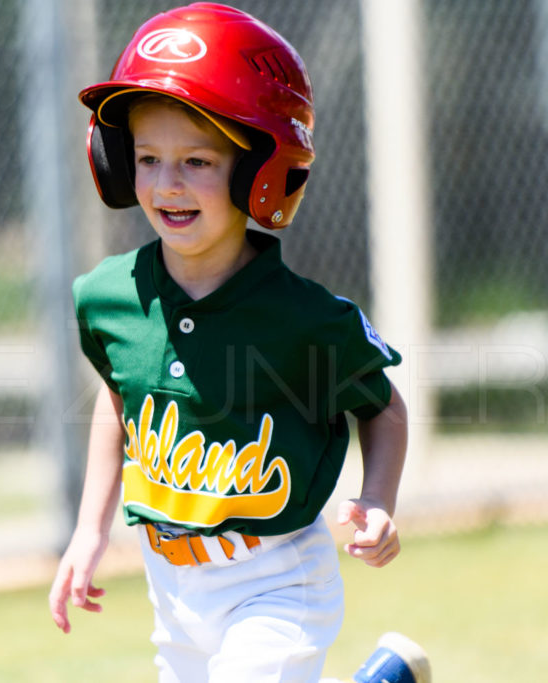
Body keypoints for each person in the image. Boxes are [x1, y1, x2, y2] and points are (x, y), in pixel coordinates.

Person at [47, 4, 430, 682]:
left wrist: (377, 499)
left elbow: (383, 404)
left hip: (275, 580)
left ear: (260, 168)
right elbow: (119, 400)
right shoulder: (111, 297)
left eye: (197, 160)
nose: (167, 183)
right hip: (172, 588)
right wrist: (89, 527)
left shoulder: (302, 317)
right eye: (147, 158)